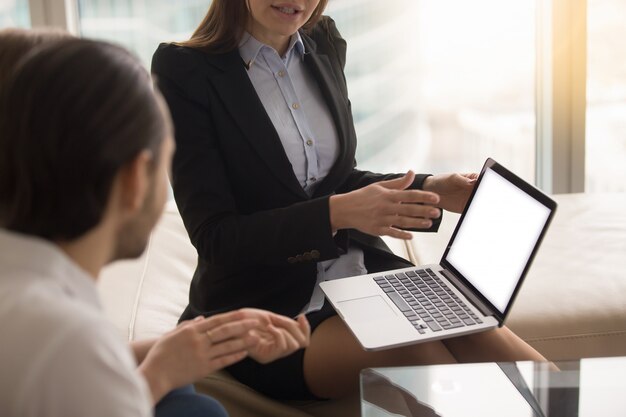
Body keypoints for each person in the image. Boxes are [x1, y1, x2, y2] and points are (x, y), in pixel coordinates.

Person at [151, 0, 547, 401]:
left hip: (356, 270)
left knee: (502, 347)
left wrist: (433, 188)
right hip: (264, 304)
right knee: (434, 367)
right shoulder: (184, 71)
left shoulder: (322, 40)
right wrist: (335, 214)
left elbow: (336, 178)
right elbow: (216, 237)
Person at [0, 32, 310, 417]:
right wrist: (161, 374)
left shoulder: (25, 290)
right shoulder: (66, 336)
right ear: (134, 181)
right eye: (166, 165)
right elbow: (78, 362)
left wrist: (201, 341)